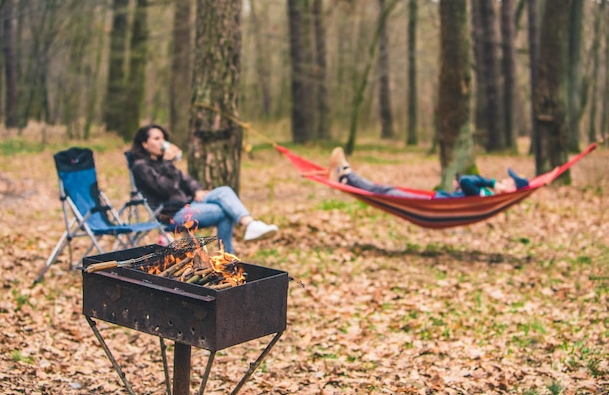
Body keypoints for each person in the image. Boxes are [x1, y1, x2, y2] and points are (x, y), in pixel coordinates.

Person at [129, 124, 278, 253]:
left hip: (188, 204)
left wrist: (196, 190)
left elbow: (185, 180)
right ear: (144, 144)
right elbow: (163, 189)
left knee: (224, 190)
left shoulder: (163, 163)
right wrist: (168, 163)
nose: (162, 143)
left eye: (163, 138)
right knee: (225, 212)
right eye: (156, 139)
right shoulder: (141, 166)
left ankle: (250, 224)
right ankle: (228, 256)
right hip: (171, 214)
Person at [327, 147, 529, 199]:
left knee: (384, 191)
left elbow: (468, 180)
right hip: (433, 200)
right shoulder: (485, 195)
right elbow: (466, 184)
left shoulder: (487, 195)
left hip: (432, 203)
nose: (503, 180)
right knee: (383, 190)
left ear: (511, 189)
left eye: (507, 181)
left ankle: (347, 174)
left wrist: (492, 183)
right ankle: (346, 177)